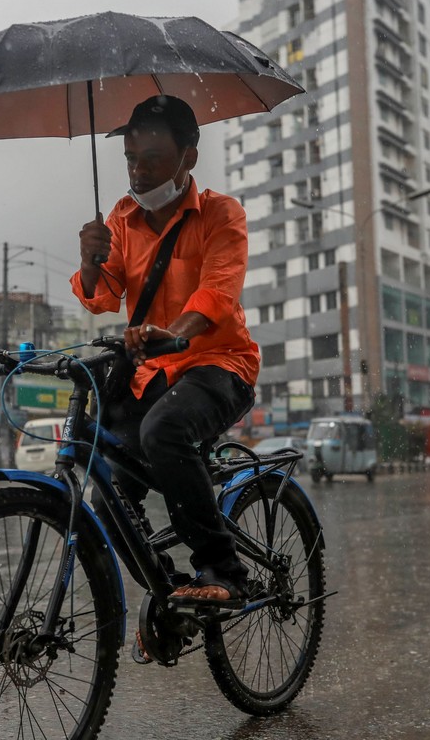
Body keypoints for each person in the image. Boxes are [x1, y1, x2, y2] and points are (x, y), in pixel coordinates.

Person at [71, 94, 260, 609]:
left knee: (164, 431)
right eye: (130, 158)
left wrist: (172, 332)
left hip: (219, 366)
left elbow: (217, 294)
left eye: (152, 158)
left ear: (188, 158)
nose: (137, 170)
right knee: (107, 487)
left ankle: (225, 569)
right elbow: (103, 294)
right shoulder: (122, 217)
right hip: (149, 376)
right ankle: (171, 588)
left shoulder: (222, 214)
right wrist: (90, 262)